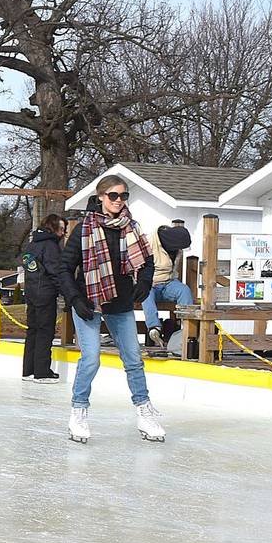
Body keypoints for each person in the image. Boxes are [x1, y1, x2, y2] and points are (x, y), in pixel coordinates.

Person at [61, 175, 165, 443]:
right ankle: (79, 410)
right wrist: (75, 298)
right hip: (88, 302)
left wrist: (143, 282)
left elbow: (148, 261)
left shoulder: (132, 228)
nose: (119, 201)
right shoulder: (84, 229)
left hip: (120, 302)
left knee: (133, 359)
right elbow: (62, 268)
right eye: (114, 196)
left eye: (124, 196)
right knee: (91, 358)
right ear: (101, 198)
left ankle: (144, 410)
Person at [20, 214, 74, 383]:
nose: (63, 234)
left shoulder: (32, 244)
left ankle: (28, 370)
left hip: (31, 293)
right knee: (45, 331)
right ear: (53, 228)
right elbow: (55, 272)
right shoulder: (50, 246)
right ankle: (42, 372)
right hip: (45, 293)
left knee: (33, 331)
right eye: (62, 230)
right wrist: (67, 294)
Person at [142, 219, 194, 348]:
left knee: (184, 290)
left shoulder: (176, 247)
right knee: (145, 293)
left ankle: (189, 326)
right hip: (150, 283)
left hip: (168, 283)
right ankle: (154, 328)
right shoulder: (148, 243)